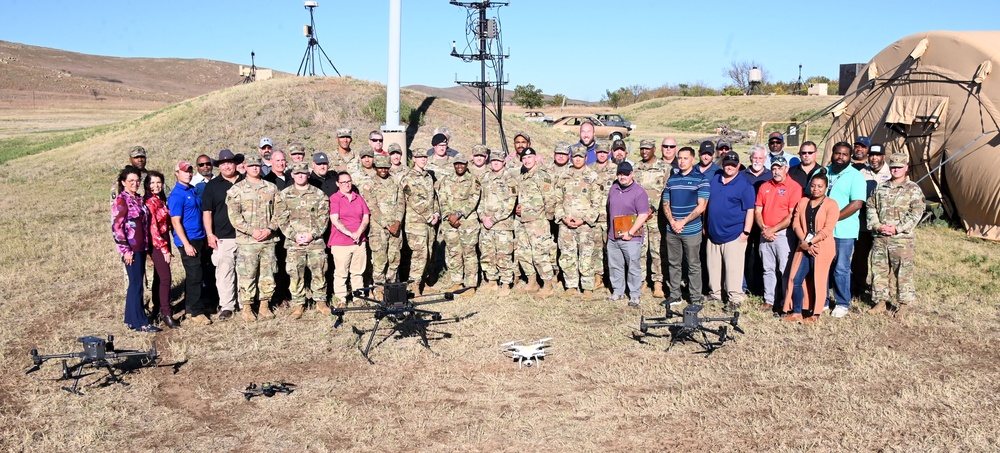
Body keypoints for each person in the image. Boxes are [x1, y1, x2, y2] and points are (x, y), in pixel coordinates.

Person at [866, 153, 925, 318]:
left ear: (906, 168)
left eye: (899, 167)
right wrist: (877, 226)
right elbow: (871, 207)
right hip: (880, 237)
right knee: (879, 269)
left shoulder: (913, 189)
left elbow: (916, 212)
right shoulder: (881, 187)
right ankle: (880, 301)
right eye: (893, 167)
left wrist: (897, 229)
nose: (896, 170)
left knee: (903, 271)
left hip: (901, 239)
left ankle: (903, 304)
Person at [226, 154, 281, 320]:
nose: (255, 168)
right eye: (251, 166)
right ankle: (248, 308)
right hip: (248, 241)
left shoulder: (271, 188)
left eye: (257, 165)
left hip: (268, 240)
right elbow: (234, 217)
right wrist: (252, 231)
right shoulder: (237, 190)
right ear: (245, 168)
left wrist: (269, 229)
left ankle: (265, 305)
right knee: (247, 275)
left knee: (268, 274)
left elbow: (279, 212)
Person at [782, 170, 839, 323]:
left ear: (826, 187)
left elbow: (828, 229)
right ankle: (797, 311)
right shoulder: (803, 202)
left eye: (820, 186)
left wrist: (811, 242)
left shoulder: (831, 205)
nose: (816, 189)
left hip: (822, 246)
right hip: (804, 245)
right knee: (796, 278)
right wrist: (804, 242)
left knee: (818, 280)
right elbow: (796, 223)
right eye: (813, 186)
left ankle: (816, 315)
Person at [275, 162, 330, 319]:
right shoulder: (284, 195)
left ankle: (321, 302)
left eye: (303, 173)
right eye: (297, 173)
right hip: (294, 243)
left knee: (319, 272)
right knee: (295, 274)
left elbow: (323, 219)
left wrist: (312, 235)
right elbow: (281, 220)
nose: (300, 175)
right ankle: (298, 304)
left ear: (308, 175)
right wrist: (294, 235)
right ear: (292, 175)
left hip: (315, 242)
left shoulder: (319, 195)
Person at [705, 151, 756, 311]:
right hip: (713, 233)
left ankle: (735, 297)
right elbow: (707, 204)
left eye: (733, 165)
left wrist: (746, 232)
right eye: (727, 164)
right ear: (723, 164)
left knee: (733, 268)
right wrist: (706, 226)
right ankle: (716, 294)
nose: (730, 167)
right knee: (713, 267)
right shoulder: (715, 180)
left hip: (734, 234)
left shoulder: (744, 184)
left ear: (738, 166)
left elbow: (750, 210)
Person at [112, 167, 160, 332]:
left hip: (141, 246)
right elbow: (117, 228)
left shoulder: (138, 199)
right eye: (131, 181)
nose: (135, 183)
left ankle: (131, 319)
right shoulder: (121, 200)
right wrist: (125, 250)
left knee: (136, 283)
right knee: (136, 284)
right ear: (124, 182)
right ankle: (141, 322)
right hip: (131, 249)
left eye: (137, 180)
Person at [753, 157, 802, 313]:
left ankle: (785, 301)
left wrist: (773, 230)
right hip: (765, 232)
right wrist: (764, 228)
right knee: (767, 268)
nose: (776, 171)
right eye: (774, 168)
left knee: (784, 270)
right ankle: (769, 300)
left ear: (786, 169)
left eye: (779, 168)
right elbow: (758, 210)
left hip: (783, 234)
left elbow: (791, 216)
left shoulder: (794, 187)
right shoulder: (765, 186)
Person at [662, 146, 709, 305]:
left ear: (692, 160)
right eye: (679, 158)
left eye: (685, 158)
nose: (681, 161)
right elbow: (666, 203)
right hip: (672, 229)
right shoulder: (672, 179)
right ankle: (675, 295)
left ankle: (695, 297)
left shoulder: (701, 179)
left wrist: (683, 222)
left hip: (691, 230)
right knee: (674, 263)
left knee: (693, 264)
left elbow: (701, 206)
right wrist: (673, 222)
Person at [826, 142, 868, 318]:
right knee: (824, 267)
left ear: (849, 157)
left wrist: (833, 218)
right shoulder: (823, 172)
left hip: (844, 231)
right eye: (837, 153)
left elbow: (857, 203)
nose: (840, 157)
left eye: (844, 154)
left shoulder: (855, 176)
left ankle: (842, 302)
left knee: (841, 268)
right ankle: (823, 300)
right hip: (823, 231)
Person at [201, 149, 245, 321]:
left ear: (235, 164)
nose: (227, 166)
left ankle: (244, 303)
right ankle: (227, 305)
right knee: (224, 272)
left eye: (230, 162)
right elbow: (207, 212)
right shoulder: (212, 186)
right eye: (223, 163)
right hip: (223, 237)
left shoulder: (245, 181)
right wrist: (210, 234)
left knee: (245, 272)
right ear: (219, 166)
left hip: (245, 235)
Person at [168, 160, 212, 325]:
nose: (188, 173)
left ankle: (192, 307)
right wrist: (186, 244)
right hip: (189, 240)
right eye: (184, 171)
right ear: (177, 173)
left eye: (190, 171)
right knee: (194, 276)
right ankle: (195, 312)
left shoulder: (192, 190)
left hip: (199, 237)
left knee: (198, 275)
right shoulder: (177, 195)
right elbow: (176, 222)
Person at [556, 144, 603, 297]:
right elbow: (556, 200)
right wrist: (563, 217)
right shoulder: (563, 176)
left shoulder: (593, 177)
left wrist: (584, 220)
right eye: (575, 156)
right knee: (567, 255)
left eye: (580, 157)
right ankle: (571, 286)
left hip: (585, 226)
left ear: (585, 158)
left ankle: (588, 287)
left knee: (586, 256)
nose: (577, 159)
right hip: (566, 225)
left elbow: (597, 203)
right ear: (571, 157)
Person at [513, 147, 557, 297]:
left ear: (535, 158)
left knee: (540, 254)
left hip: (537, 222)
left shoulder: (542, 176)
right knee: (524, 253)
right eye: (524, 158)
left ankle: (548, 285)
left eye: (529, 157)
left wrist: (547, 219)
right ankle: (532, 282)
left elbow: (550, 199)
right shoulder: (523, 175)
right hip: (523, 221)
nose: (526, 160)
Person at [435, 154, 482, 293]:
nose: (459, 166)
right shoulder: (446, 180)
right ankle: (457, 282)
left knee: (469, 253)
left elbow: (474, 199)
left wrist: (459, 214)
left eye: (462, 164)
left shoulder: (473, 180)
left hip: (467, 222)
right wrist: (449, 216)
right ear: (454, 165)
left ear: (467, 164)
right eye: (457, 164)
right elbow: (442, 199)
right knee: (453, 253)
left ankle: (470, 285)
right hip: (450, 223)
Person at [606, 162, 651, 307]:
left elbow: (643, 214)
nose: (622, 176)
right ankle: (618, 291)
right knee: (615, 266)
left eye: (625, 174)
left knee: (633, 266)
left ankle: (634, 295)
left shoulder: (639, 192)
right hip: (613, 236)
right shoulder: (613, 188)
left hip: (631, 237)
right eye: (620, 174)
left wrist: (630, 232)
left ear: (632, 174)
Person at [478, 150, 518, 295]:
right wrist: (482, 216)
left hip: (502, 224)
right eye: (493, 161)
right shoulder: (485, 177)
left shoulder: (510, 179)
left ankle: (506, 283)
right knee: (487, 253)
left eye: (498, 161)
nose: (495, 163)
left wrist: (494, 219)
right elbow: (480, 199)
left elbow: (510, 204)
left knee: (503, 254)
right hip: (486, 224)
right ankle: (492, 281)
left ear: (503, 162)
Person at [400, 150, 440, 295]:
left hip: (429, 223)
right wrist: (430, 216)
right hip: (416, 224)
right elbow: (413, 200)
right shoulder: (408, 178)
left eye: (425, 157)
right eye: (420, 157)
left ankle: (423, 281)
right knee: (419, 255)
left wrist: (436, 213)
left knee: (429, 253)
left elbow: (433, 198)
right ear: (414, 159)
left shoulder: (428, 177)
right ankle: (414, 285)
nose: (423, 159)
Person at [854, 143, 891, 298]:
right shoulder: (861, 172)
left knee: (882, 258)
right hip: (863, 222)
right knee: (860, 256)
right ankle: (858, 286)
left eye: (878, 155)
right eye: (872, 156)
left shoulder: (891, 172)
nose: (874, 159)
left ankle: (882, 288)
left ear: (883, 156)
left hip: (883, 223)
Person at [329, 171, 370, 306]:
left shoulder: (358, 198)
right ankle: (341, 299)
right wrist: (349, 233)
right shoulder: (335, 198)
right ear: (338, 184)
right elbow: (335, 219)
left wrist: (359, 232)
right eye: (343, 182)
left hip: (359, 241)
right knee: (341, 273)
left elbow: (365, 217)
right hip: (341, 242)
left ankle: (358, 297)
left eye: (349, 181)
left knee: (358, 272)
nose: (347, 184)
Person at [143, 170, 178, 329]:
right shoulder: (150, 202)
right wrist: (164, 249)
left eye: (159, 182)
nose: (156, 186)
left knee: (158, 277)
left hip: (164, 238)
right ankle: (166, 312)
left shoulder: (160, 199)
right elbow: (153, 229)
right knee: (165, 278)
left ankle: (156, 308)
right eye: (152, 183)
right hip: (157, 242)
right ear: (147, 185)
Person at [364, 155, 404, 286]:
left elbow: (401, 202)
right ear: (375, 168)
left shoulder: (395, 181)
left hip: (396, 228)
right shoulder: (369, 184)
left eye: (386, 168)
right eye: (380, 167)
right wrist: (387, 225)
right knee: (380, 260)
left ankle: (391, 287)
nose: (383, 170)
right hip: (379, 229)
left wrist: (397, 222)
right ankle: (379, 288)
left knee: (394, 258)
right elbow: (372, 206)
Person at [632, 139, 666, 297]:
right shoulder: (635, 168)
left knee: (656, 250)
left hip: (655, 217)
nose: (644, 151)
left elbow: (666, 192)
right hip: (639, 217)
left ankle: (658, 282)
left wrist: (653, 207)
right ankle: (641, 280)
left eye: (647, 148)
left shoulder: (664, 168)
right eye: (641, 149)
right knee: (640, 250)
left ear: (654, 149)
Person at [742, 144, 772, 296]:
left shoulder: (770, 176)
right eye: (755, 157)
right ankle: (743, 285)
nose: (757, 160)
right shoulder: (742, 175)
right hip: (745, 221)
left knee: (762, 255)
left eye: (761, 158)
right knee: (744, 255)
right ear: (750, 158)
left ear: (765, 159)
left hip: (763, 222)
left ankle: (759, 286)